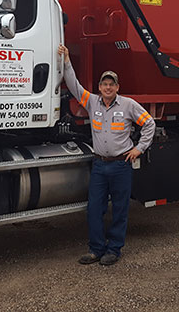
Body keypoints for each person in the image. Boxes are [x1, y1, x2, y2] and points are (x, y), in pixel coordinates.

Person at [58, 44, 156, 266]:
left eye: (112, 84)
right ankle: (95, 249)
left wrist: (139, 148)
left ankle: (114, 250)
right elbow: (73, 85)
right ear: (100, 86)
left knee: (120, 209)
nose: (108, 87)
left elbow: (149, 124)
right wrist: (66, 61)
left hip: (121, 165)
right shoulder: (92, 102)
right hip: (100, 166)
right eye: (104, 84)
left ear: (117, 87)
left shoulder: (129, 105)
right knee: (94, 209)